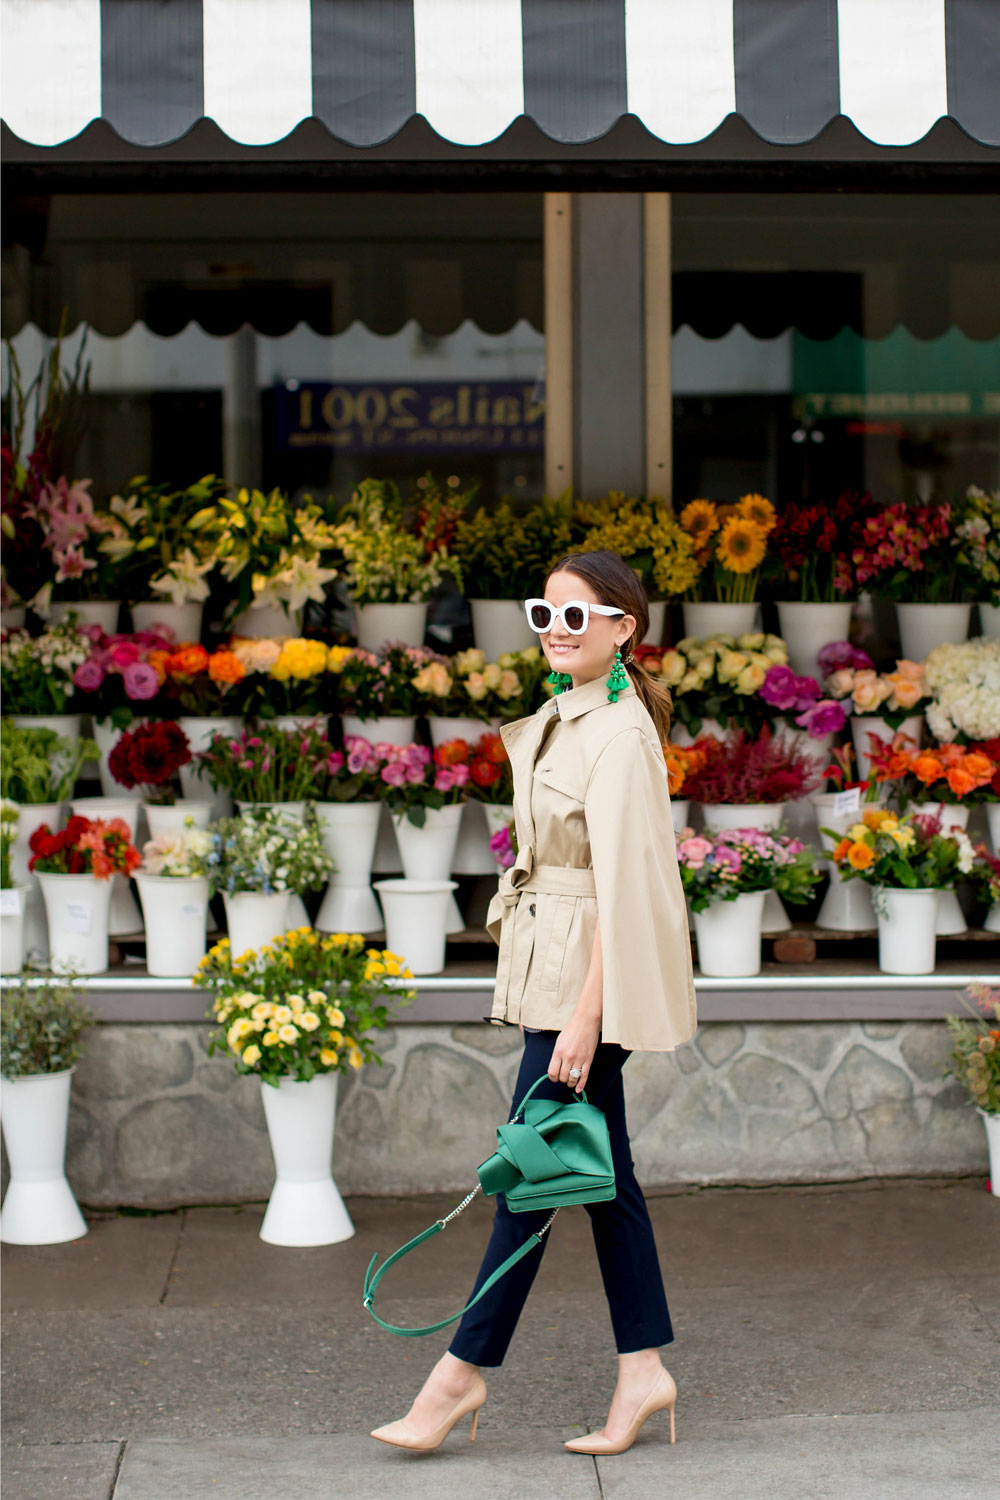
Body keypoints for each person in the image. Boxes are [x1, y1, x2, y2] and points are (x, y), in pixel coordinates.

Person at [370, 549, 697, 1456]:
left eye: (578, 617)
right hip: (558, 967)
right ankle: (642, 1372)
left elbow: (629, 890)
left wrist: (590, 1018)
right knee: (599, 1177)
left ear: (623, 628)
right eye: (544, 614)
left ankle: (456, 1380)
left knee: (530, 1169)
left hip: (587, 983)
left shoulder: (620, 734)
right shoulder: (568, 716)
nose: (557, 631)